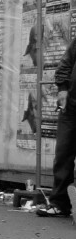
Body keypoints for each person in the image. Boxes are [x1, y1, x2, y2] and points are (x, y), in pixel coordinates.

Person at [36, 36, 76, 219]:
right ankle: (59, 204)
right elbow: (65, 64)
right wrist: (62, 89)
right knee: (62, 155)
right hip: (71, 108)